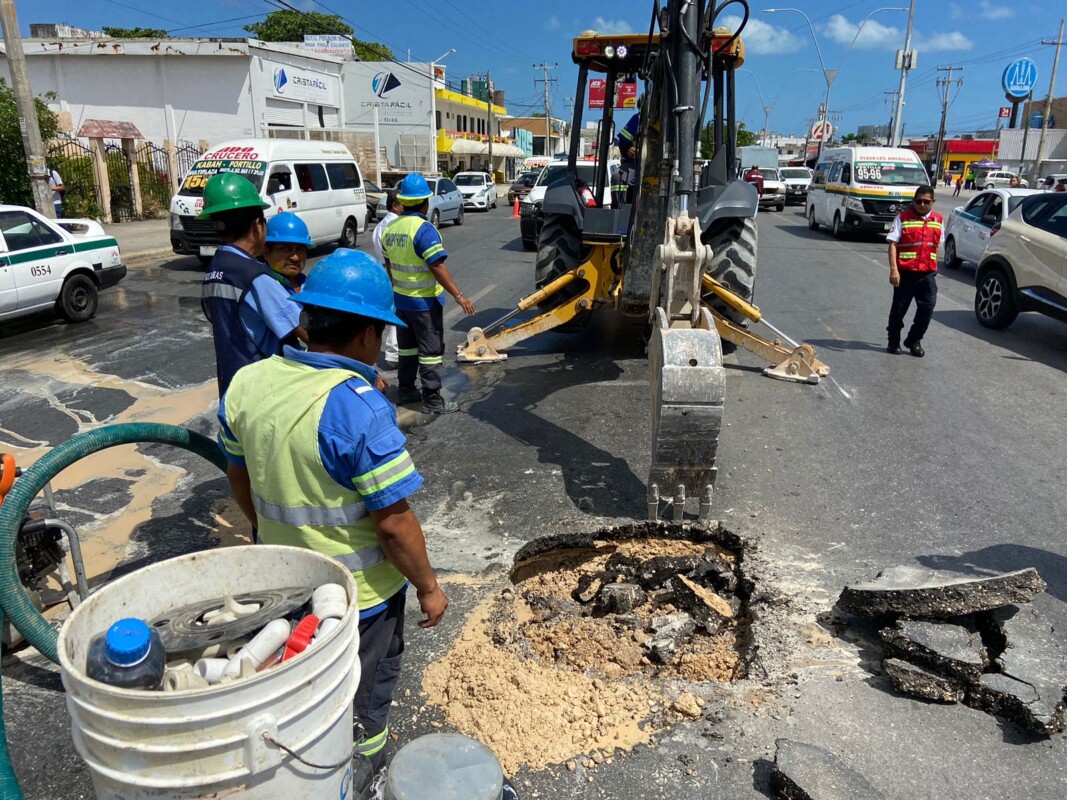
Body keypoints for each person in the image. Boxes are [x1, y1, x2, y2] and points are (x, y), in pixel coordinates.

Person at [216, 249, 448, 782]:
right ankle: (355, 775)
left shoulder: (247, 384)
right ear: (369, 335)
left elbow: (239, 477)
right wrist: (429, 587)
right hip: (359, 600)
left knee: (297, 684)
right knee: (361, 699)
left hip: (285, 581)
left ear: (304, 319)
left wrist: (268, 531)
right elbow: (394, 523)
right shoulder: (357, 409)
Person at [199, 173, 307, 397]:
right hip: (263, 391)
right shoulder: (255, 276)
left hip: (232, 388)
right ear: (258, 225)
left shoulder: (214, 269)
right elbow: (304, 332)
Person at [381, 173, 476, 414]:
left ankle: (406, 391)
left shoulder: (390, 228)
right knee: (430, 353)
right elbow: (437, 266)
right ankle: (433, 399)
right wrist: (459, 295)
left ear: (403, 201)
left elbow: (389, 265)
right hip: (424, 304)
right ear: (425, 201)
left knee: (407, 350)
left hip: (401, 302)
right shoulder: (425, 230)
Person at [885, 185, 942, 358]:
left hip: (927, 274)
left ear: (933, 202)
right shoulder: (903, 218)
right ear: (913, 201)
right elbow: (892, 244)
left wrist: (935, 267)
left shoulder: (938, 219)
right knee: (899, 310)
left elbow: (936, 246)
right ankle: (893, 341)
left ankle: (914, 340)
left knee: (928, 307)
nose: (922, 205)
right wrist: (894, 270)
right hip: (906, 273)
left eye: (926, 202)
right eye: (919, 201)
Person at [372, 190, 403, 370]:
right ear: (395, 205)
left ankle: (393, 352)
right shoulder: (395, 226)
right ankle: (394, 353)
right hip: (394, 272)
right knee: (397, 313)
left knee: (393, 312)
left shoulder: (380, 226)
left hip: (385, 271)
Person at [263, 212, 311, 294]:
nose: (295, 258)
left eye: (300, 250)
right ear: (266, 253)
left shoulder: (305, 282)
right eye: (286, 249)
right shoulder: (263, 287)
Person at [612, 112, 640, 207]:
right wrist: (628, 150)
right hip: (635, 165)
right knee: (618, 177)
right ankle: (620, 212)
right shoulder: (638, 119)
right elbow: (623, 142)